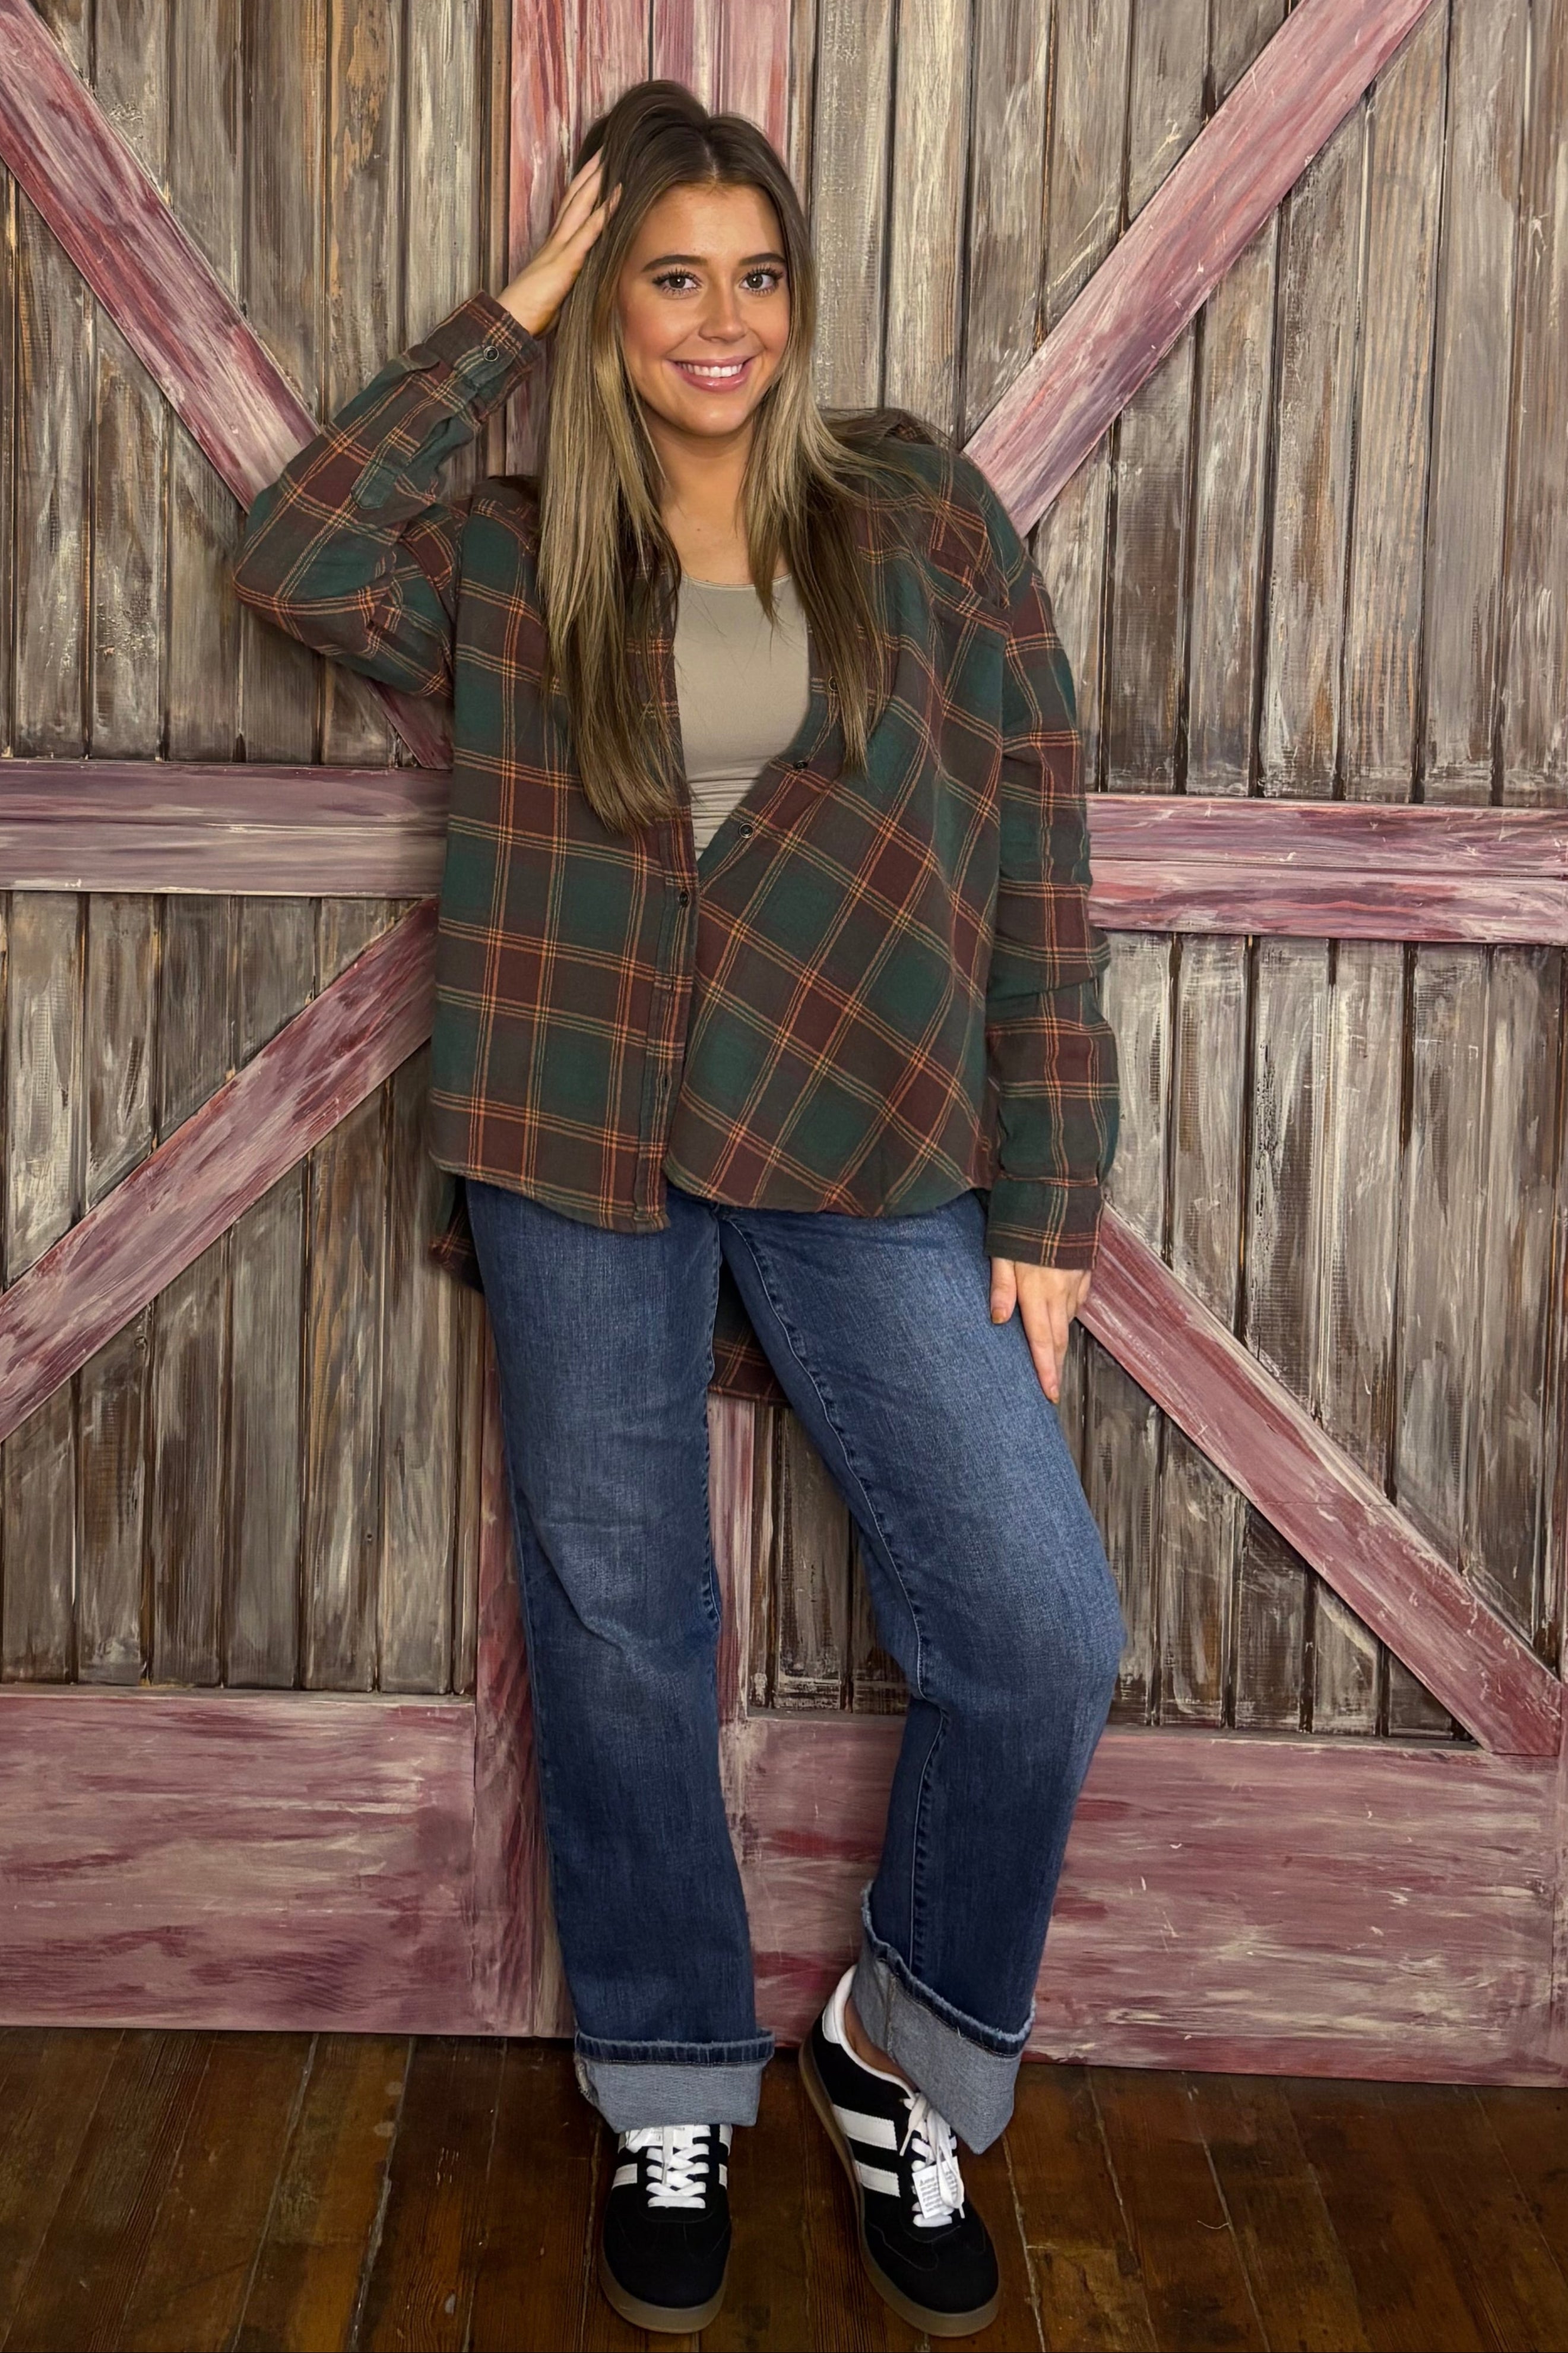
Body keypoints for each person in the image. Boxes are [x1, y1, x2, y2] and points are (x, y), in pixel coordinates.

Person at [233, 77, 1124, 2343]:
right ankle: (665, 2083)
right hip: (576, 1135)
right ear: (605, 305)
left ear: (798, 296)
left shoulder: (917, 515)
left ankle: (897, 2052)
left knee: (1036, 1627)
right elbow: (296, 551)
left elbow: (1037, 851)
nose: (719, 320)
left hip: (868, 1136)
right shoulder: (513, 550)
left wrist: (1049, 1192)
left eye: (755, 274)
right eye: (664, 277)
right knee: (621, 1622)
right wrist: (516, 304)